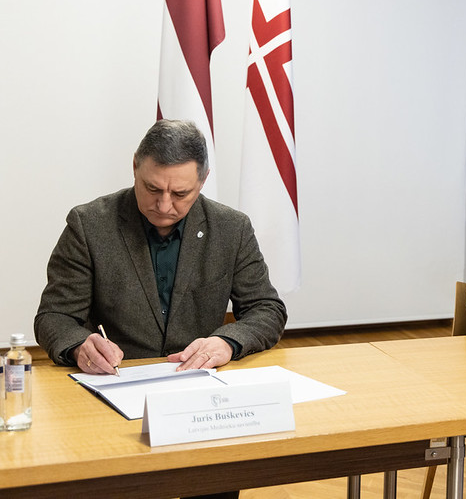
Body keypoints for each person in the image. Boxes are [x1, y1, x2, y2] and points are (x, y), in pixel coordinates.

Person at [35, 119, 288, 377]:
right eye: (152, 188)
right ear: (135, 166)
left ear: (203, 180)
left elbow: (267, 309)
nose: (164, 206)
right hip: (115, 377)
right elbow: (54, 316)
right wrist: (80, 346)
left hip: (199, 378)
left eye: (180, 194)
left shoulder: (232, 228)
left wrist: (227, 342)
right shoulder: (88, 225)